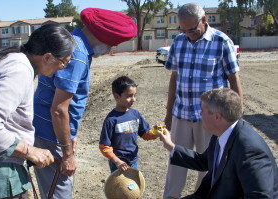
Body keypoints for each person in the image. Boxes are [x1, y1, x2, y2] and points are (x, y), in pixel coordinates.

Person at [33, 8, 137, 199]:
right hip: (50, 133)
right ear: (102, 36)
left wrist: (70, 135)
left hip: (52, 131)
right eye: (112, 44)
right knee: (59, 192)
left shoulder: (76, 45)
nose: (111, 49)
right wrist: (67, 154)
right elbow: (58, 110)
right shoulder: (77, 54)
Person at [0, 23, 76, 199]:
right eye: (64, 62)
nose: (63, 67)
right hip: (1, 171)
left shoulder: (13, 59)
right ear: (47, 57)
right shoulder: (19, 70)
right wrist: (29, 151)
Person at [163, 3, 244, 199]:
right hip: (182, 114)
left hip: (211, 118)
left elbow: (233, 79)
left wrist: (236, 117)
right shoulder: (178, 42)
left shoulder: (222, 42)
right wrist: (169, 113)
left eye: (192, 29)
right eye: (184, 29)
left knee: (208, 166)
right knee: (176, 162)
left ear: (204, 20)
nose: (188, 33)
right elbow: (174, 78)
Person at [158, 88, 278, 199]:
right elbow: (204, 161)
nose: (200, 114)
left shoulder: (249, 150)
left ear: (217, 117)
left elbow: (260, 196)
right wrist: (170, 145)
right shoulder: (221, 133)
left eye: (203, 110)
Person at [99, 76, 158, 173]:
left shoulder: (135, 114)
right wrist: (117, 161)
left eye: (135, 95)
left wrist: (155, 133)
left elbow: (145, 134)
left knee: (132, 186)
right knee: (120, 187)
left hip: (133, 159)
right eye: (129, 96)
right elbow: (104, 146)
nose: (133, 99)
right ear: (117, 96)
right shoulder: (111, 120)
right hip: (118, 163)